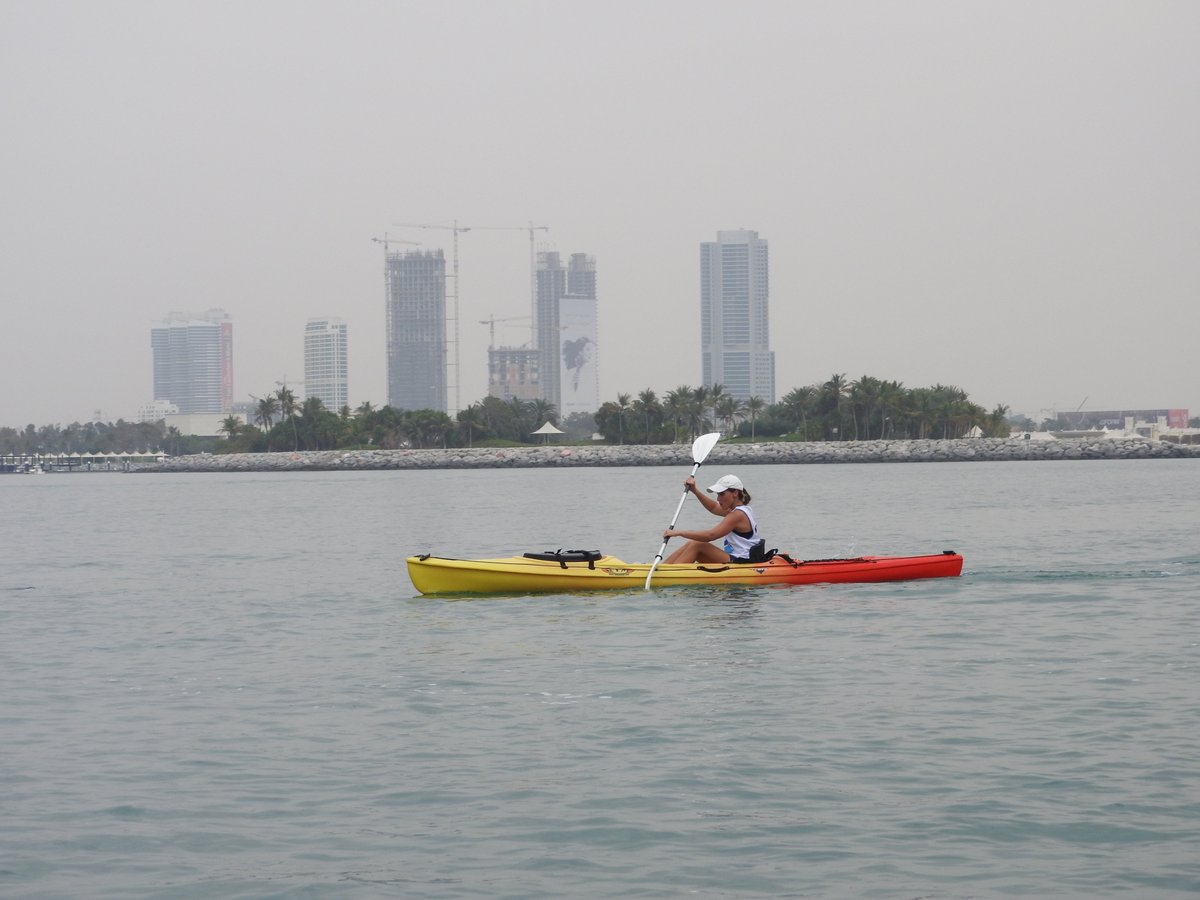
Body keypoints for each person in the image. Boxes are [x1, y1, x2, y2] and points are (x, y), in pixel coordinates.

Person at [662, 474, 764, 564]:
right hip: (737, 558)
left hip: (743, 561)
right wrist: (695, 491)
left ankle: (668, 574)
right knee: (692, 543)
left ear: (735, 493)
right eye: (718, 495)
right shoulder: (740, 510)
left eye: (721, 494)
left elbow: (710, 536)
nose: (718, 499)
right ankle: (661, 568)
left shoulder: (737, 515)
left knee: (698, 545)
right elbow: (713, 507)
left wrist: (678, 533)